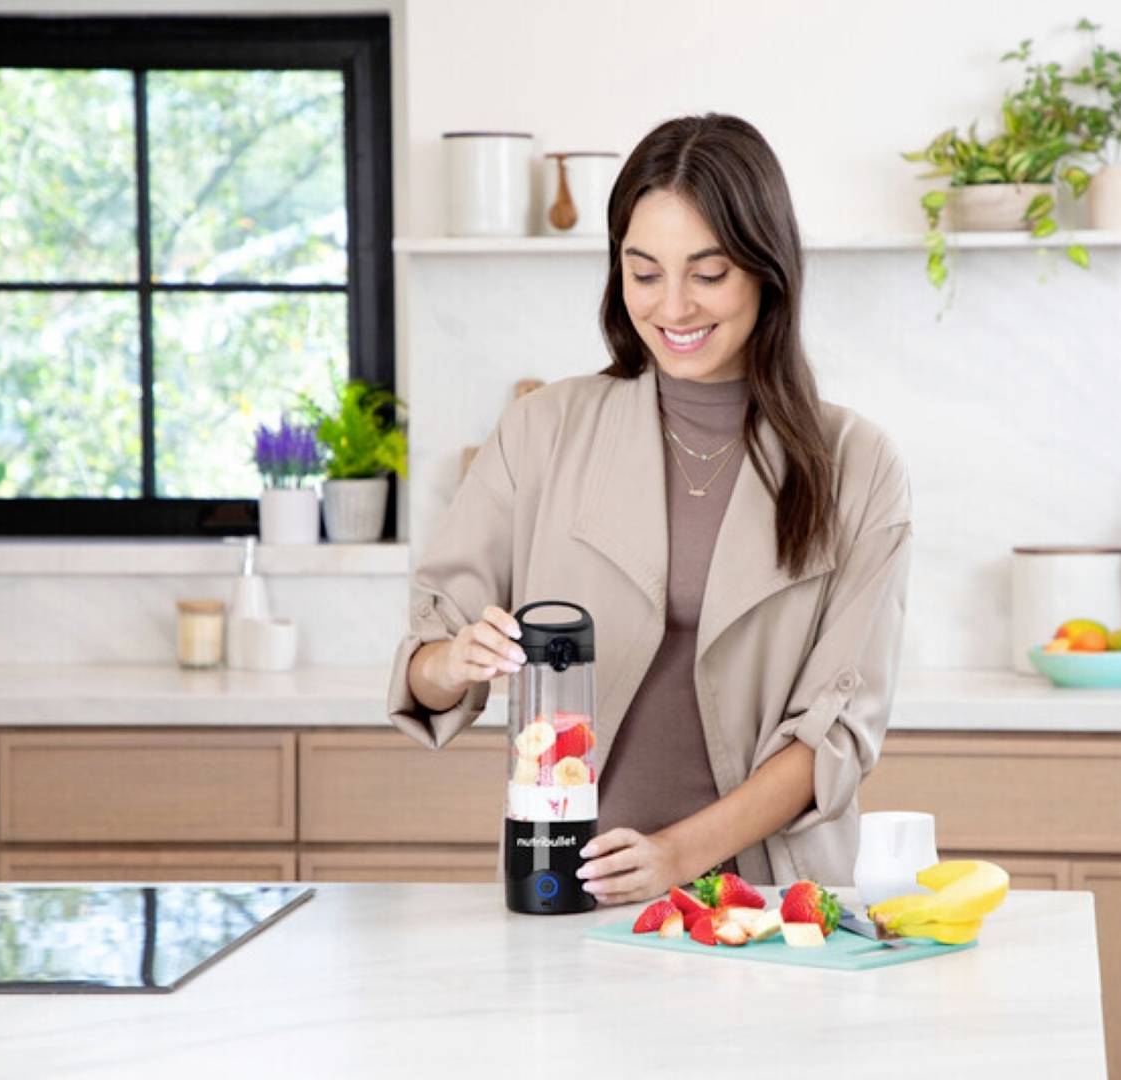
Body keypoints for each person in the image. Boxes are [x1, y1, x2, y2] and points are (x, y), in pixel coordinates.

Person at [387, 113, 911, 905]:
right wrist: (453, 661)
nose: (673, 307)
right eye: (643, 272)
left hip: (770, 901)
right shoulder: (543, 429)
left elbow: (834, 737)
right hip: (567, 885)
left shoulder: (854, 464)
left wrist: (675, 856)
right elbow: (426, 667)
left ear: (768, 271)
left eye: (707, 274)